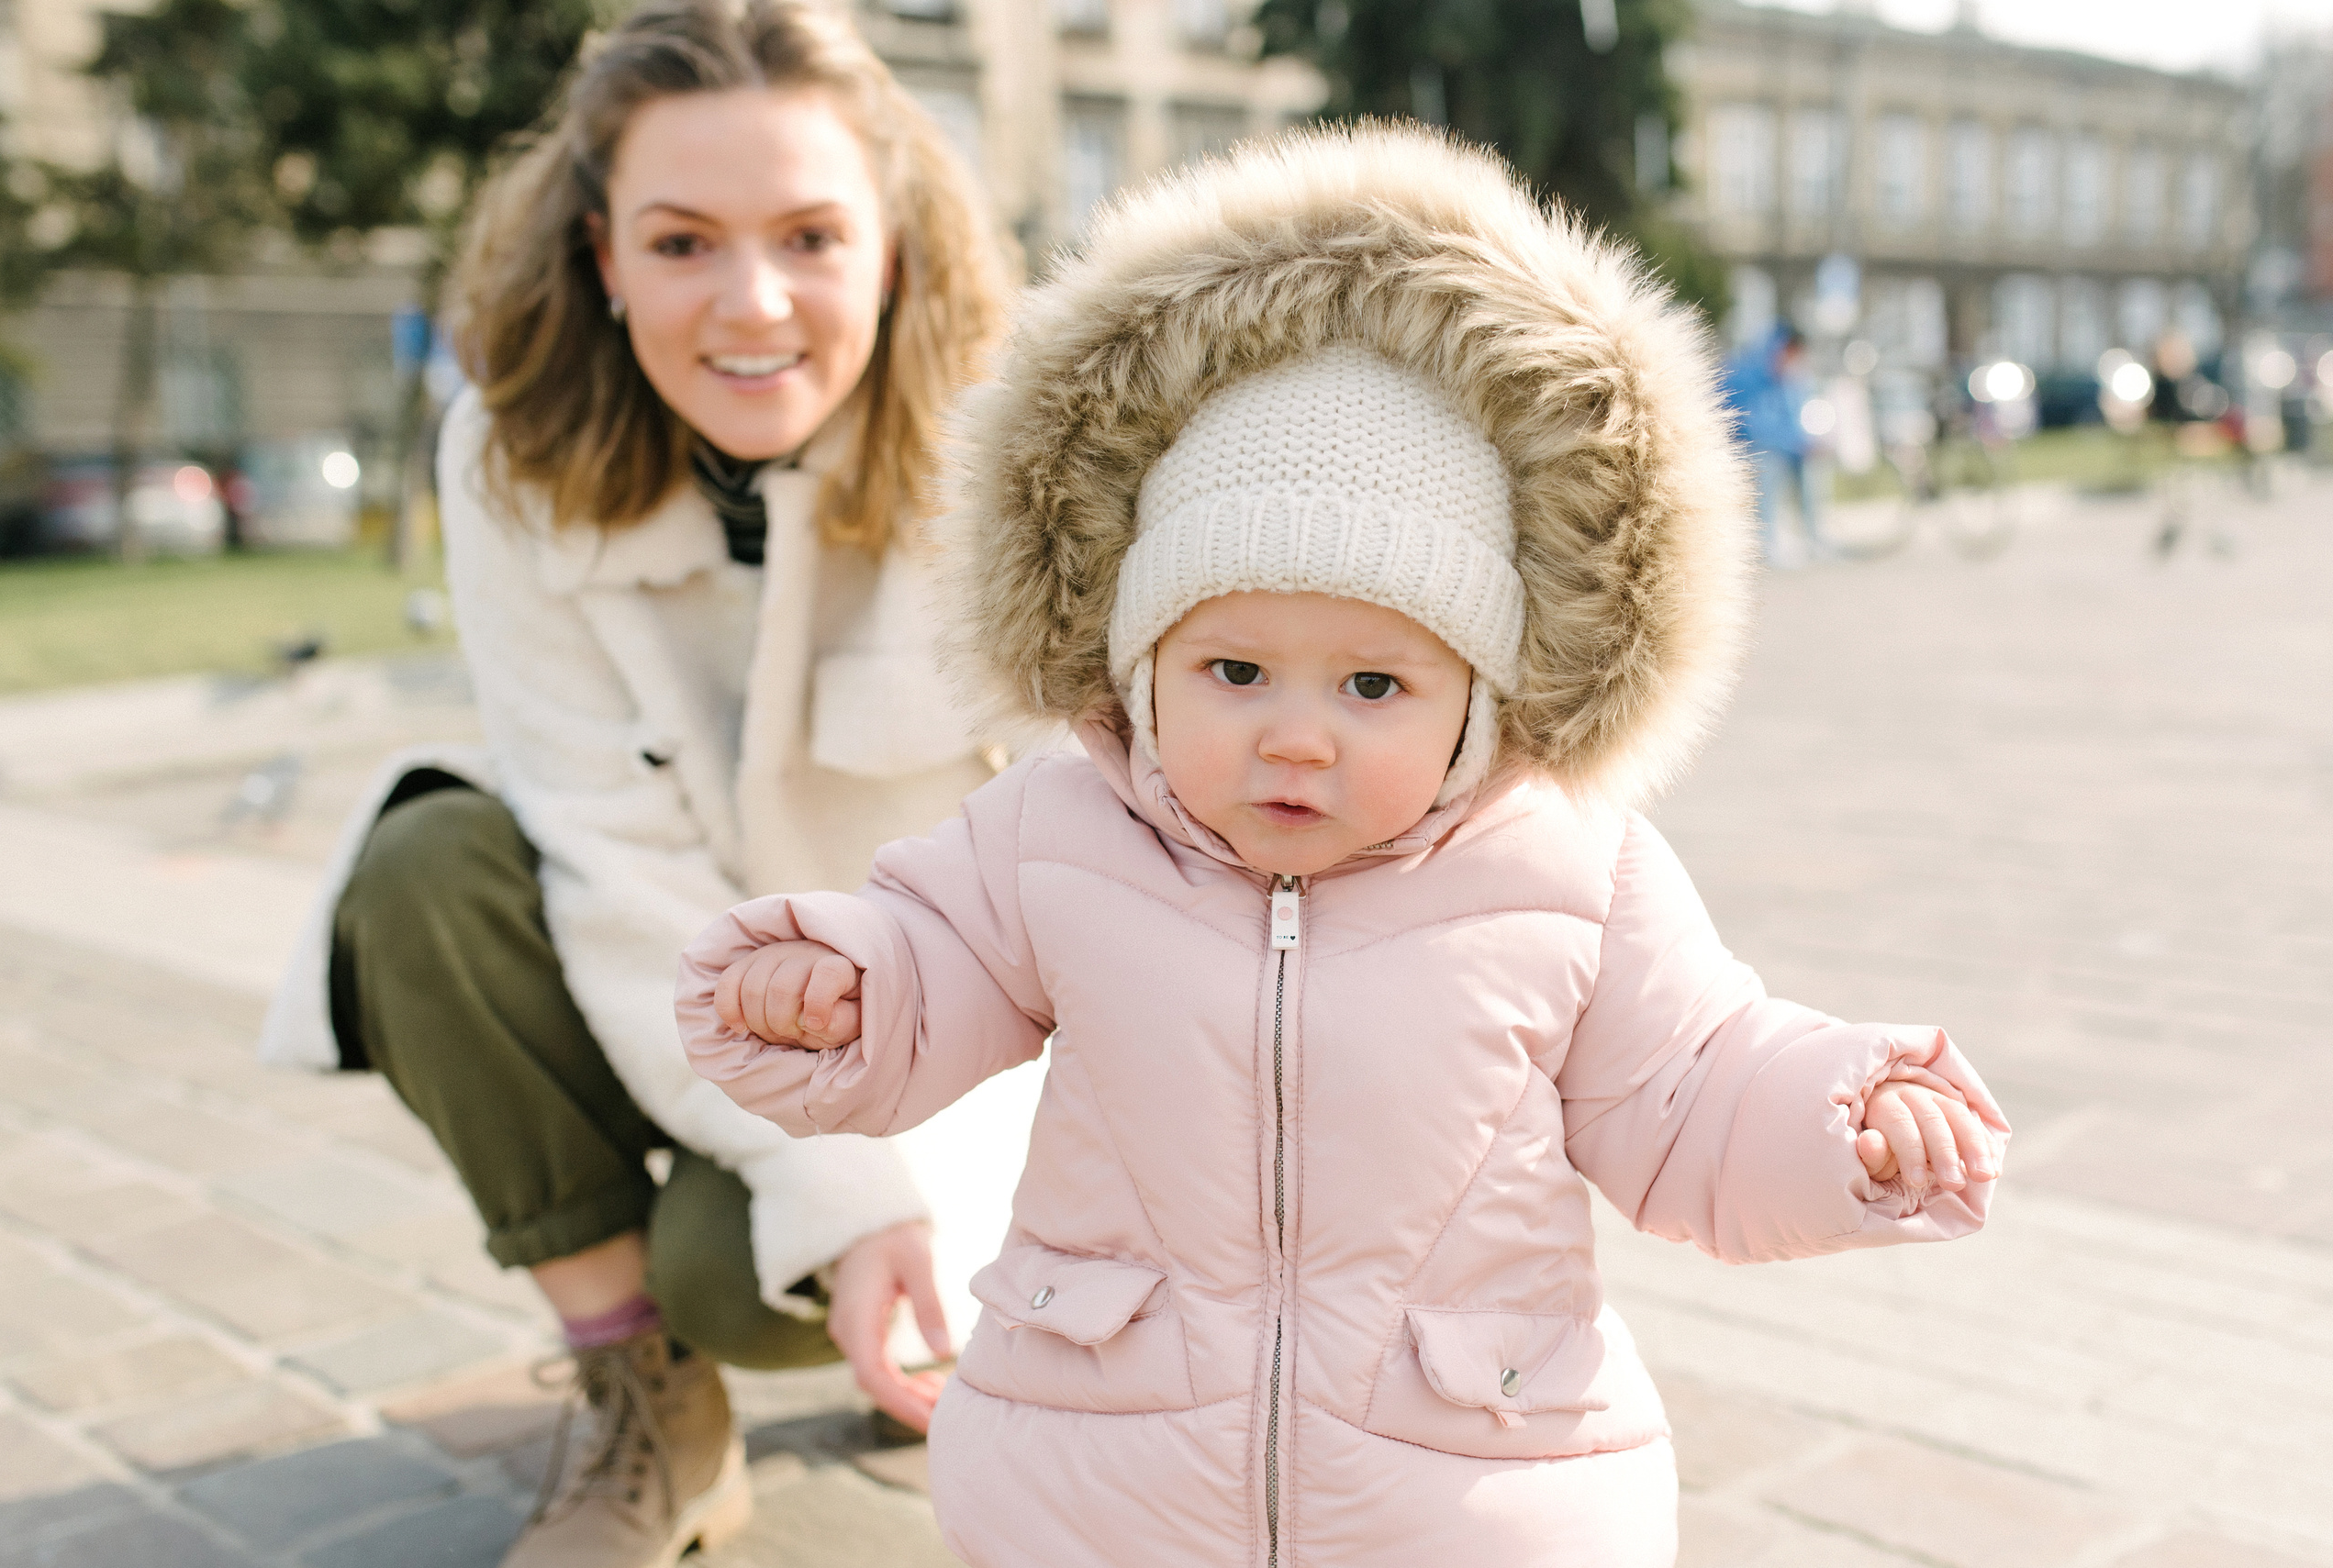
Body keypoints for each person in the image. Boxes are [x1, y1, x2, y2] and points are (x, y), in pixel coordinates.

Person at [671, 128, 2010, 1566]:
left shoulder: (1570, 869)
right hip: (1106, 1462)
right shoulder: (1058, 833)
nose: (1297, 736)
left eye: (1373, 684)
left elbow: (1694, 1089)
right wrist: (847, 988)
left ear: (1478, 697)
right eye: (1235, 672)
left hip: (1466, 1482)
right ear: (1139, 671)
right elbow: (939, 962)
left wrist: (1840, 1121)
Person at [253, 4, 1011, 1564]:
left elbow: (1114, 863)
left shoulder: (1015, 444)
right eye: (682, 243)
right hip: (684, 996)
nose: (752, 303)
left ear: (893, 246)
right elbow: (610, 860)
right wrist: (836, 1184)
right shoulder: (509, 456)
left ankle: (977, 1324)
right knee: (419, 868)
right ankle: (650, 1400)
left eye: (810, 237)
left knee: (743, 1272)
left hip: (949, 1041)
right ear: (603, 255)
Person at [1724, 320, 1824, 562]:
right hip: (1745, 447)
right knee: (1768, 464)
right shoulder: (1746, 373)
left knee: (1809, 467)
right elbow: (1752, 427)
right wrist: (1793, 443)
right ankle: (1766, 544)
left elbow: (1791, 420)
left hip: (1780, 446)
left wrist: (1804, 443)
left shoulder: (1788, 379)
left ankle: (1814, 538)